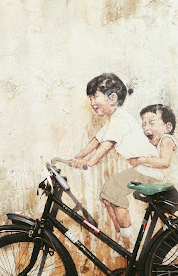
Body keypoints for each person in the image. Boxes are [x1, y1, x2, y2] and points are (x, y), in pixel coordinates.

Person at [70, 73, 163, 238]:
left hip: (148, 169)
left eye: (95, 97)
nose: (92, 103)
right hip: (141, 169)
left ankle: (128, 237)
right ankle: (120, 234)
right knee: (107, 196)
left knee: (113, 193)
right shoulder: (112, 120)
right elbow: (96, 141)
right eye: (90, 98)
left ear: (112, 98)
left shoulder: (120, 119)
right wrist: (77, 157)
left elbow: (106, 145)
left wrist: (89, 162)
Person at [128, 104, 178, 202]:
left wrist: (140, 160)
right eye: (144, 125)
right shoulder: (159, 143)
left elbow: (164, 162)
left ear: (167, 127)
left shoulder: (166, 140)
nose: (146, 128)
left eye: (152, 123)